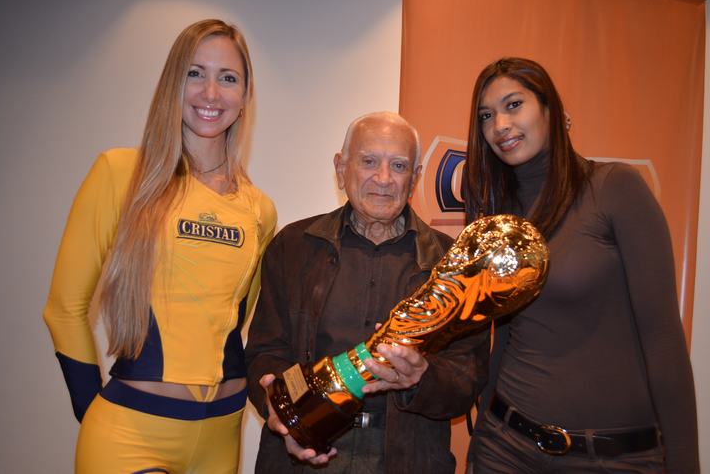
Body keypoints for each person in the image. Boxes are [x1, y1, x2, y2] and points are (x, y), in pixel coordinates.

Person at [42, 19, 276, 473]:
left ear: (245, 96)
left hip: (221, 435)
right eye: (195, 73)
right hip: (132, 434)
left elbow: (234, 319)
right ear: (173, 83)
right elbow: (63, 309)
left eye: (228, 78)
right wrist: (90, 411)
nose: (211, 92)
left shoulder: (259, 210)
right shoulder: (121, 174)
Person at [463, 57, 699, 473]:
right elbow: (506, 336)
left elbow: (662, 340)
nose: (499, 124)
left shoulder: (614, 188)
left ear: (550, 110)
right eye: (486, 115)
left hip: (612, 458)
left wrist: (685, 465)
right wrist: (481, 437)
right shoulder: (500, 217)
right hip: (506, 449)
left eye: (514, 105)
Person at [245, 111, 490, 473]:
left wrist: (421, 377)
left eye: (399, 166)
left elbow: (468, 377)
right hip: (306, 453)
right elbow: (266, 353)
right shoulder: (293, 247)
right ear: (340, 167)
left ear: (415, 178)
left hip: (409, 458)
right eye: (369, 161)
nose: (384, 178)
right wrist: (288, 414)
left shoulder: (452, 264)